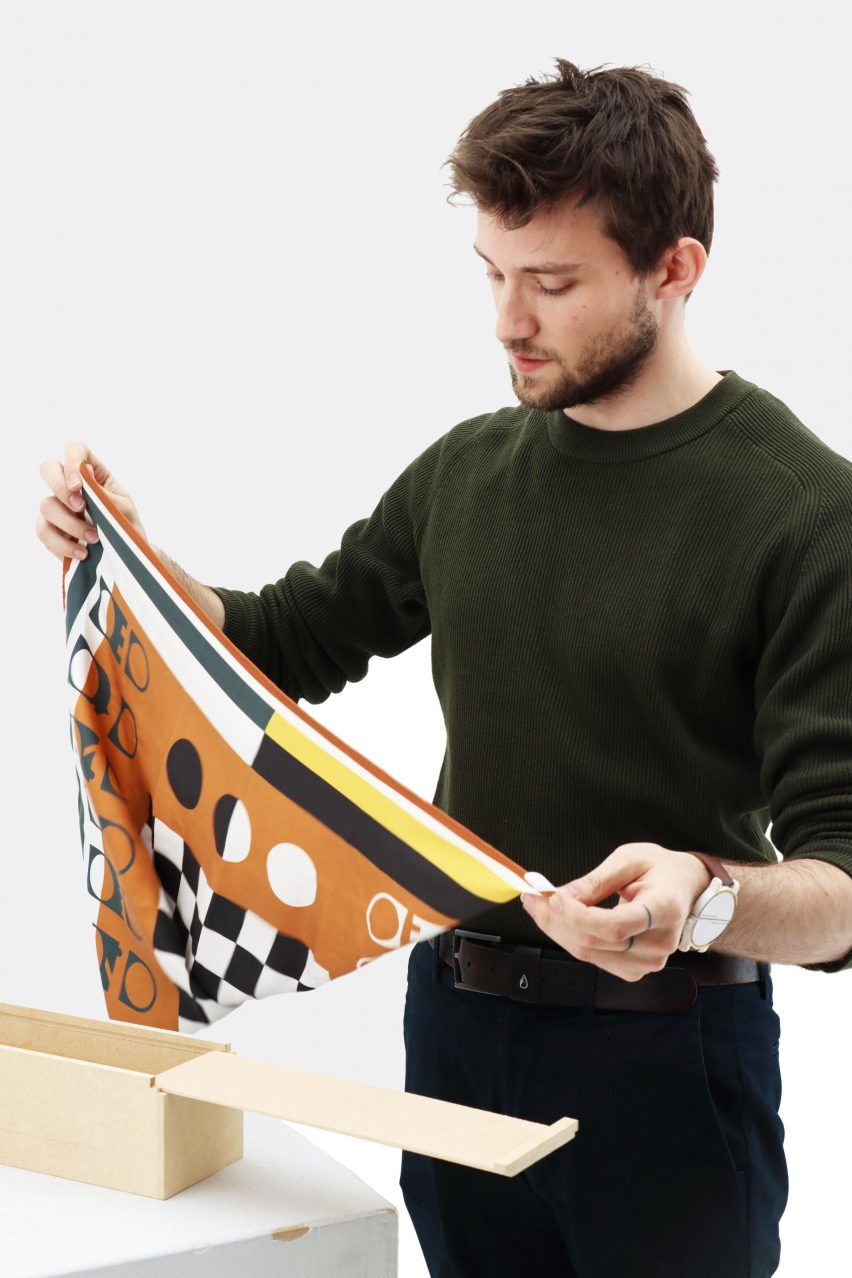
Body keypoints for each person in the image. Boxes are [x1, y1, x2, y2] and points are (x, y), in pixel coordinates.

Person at [37, 57, 852, 1278]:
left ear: (675, 270)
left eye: (553, 282)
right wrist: (140, 565)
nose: (507, 320)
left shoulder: (805, 513)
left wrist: (705, 890)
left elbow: (843, 881)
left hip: (670, 1062)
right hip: (456, 1033)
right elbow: (284, 644)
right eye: (492, 274)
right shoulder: (469, 470)